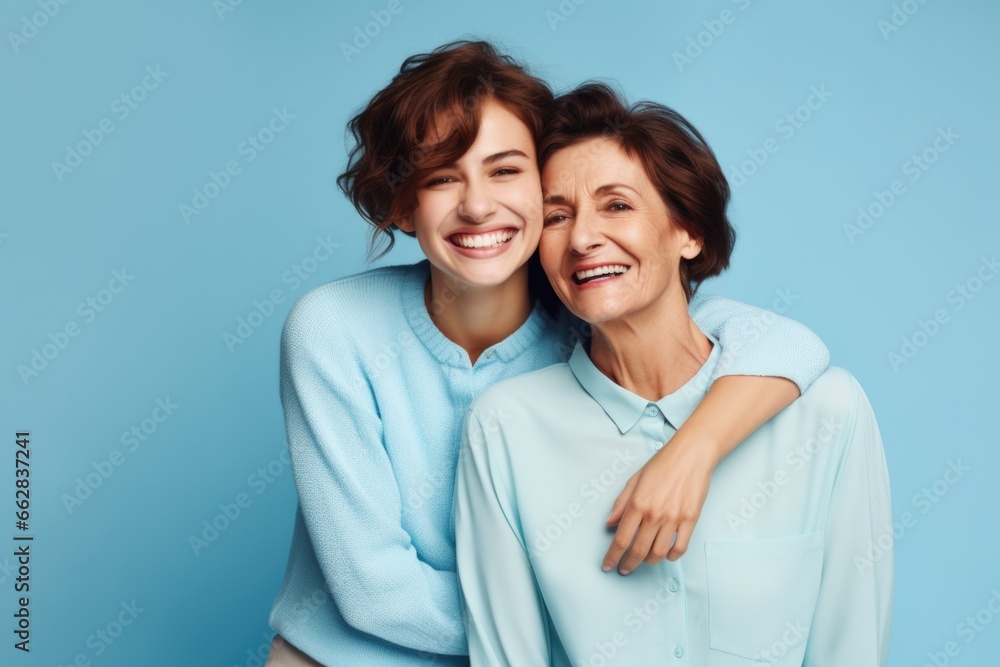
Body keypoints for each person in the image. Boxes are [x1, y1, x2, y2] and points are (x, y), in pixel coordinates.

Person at [265, 42, 832, 666]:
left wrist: (693, 452)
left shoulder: (590, 323)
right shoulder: (334, 329)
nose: (478, 205)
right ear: (402, 205)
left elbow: (784, 342)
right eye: (441, 178)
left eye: (506, 170)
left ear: (545, 186)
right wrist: (590, 633)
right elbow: (374, 592)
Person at [454, 82, 893, 666]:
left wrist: (695, 450)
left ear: (690, 232)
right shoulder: (505, 427)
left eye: (617, 205)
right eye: (557, 216)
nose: (582, 238)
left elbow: (852, 647)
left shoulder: (827, 414)